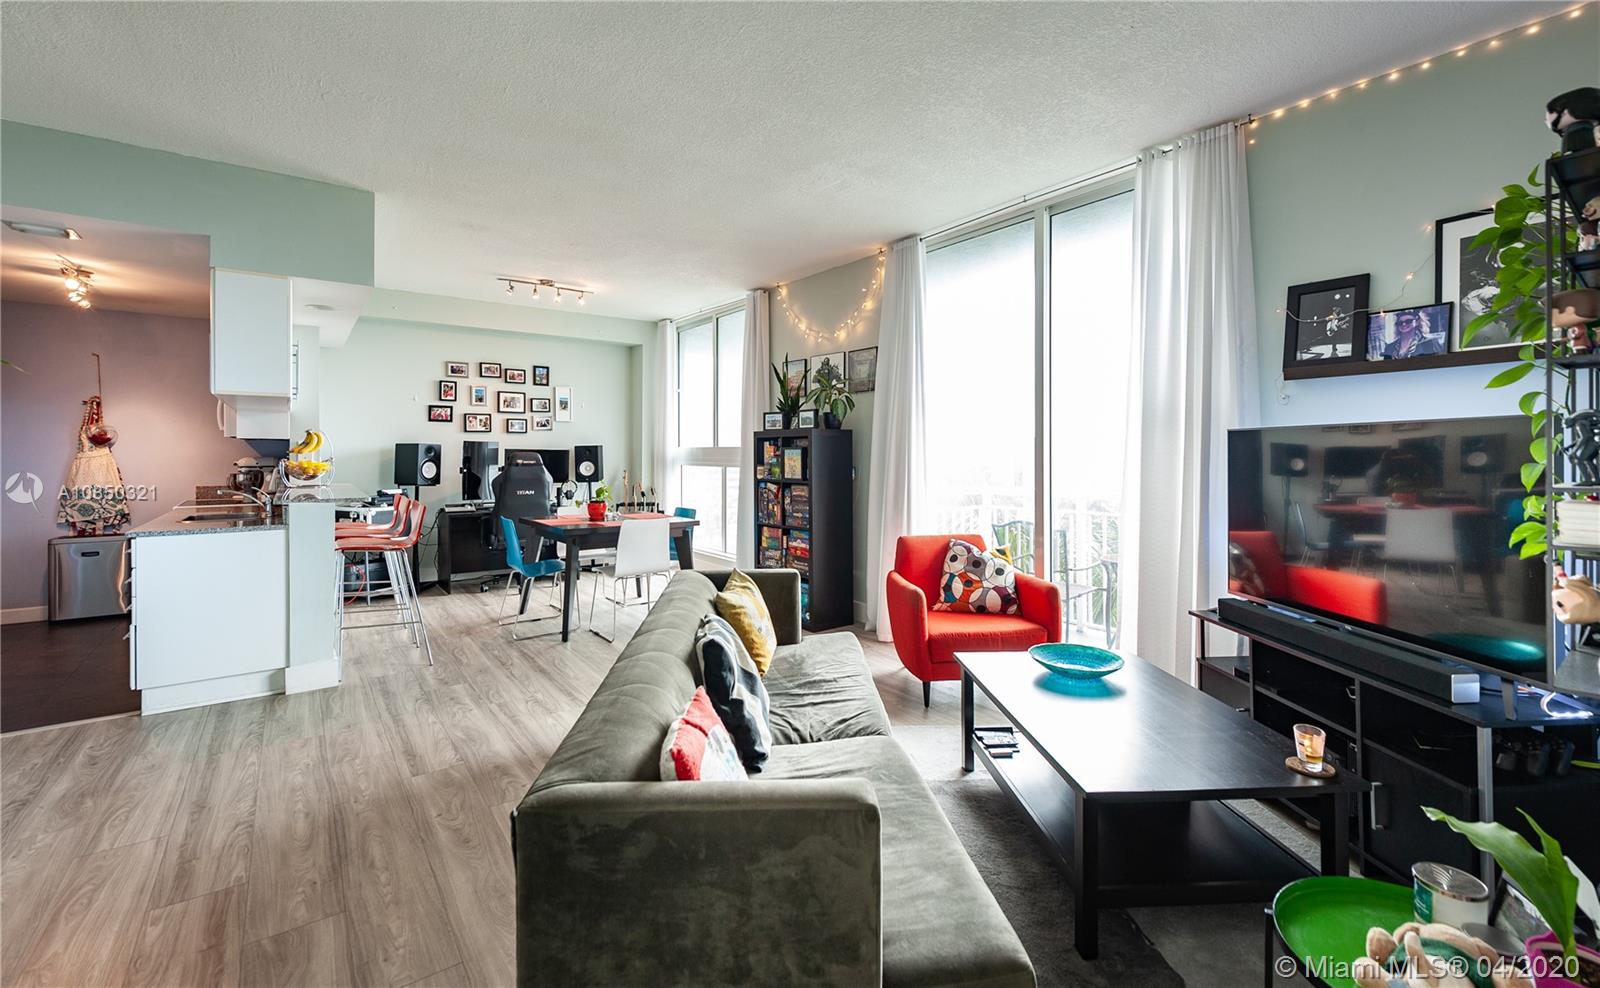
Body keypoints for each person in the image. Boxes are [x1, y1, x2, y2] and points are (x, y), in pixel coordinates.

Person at [1373, 308, 1445, 359]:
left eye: (1408, 321)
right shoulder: (1389, 347)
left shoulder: (1430, 343)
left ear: (1417, 322)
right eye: (1400, 323)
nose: (1404, 324)